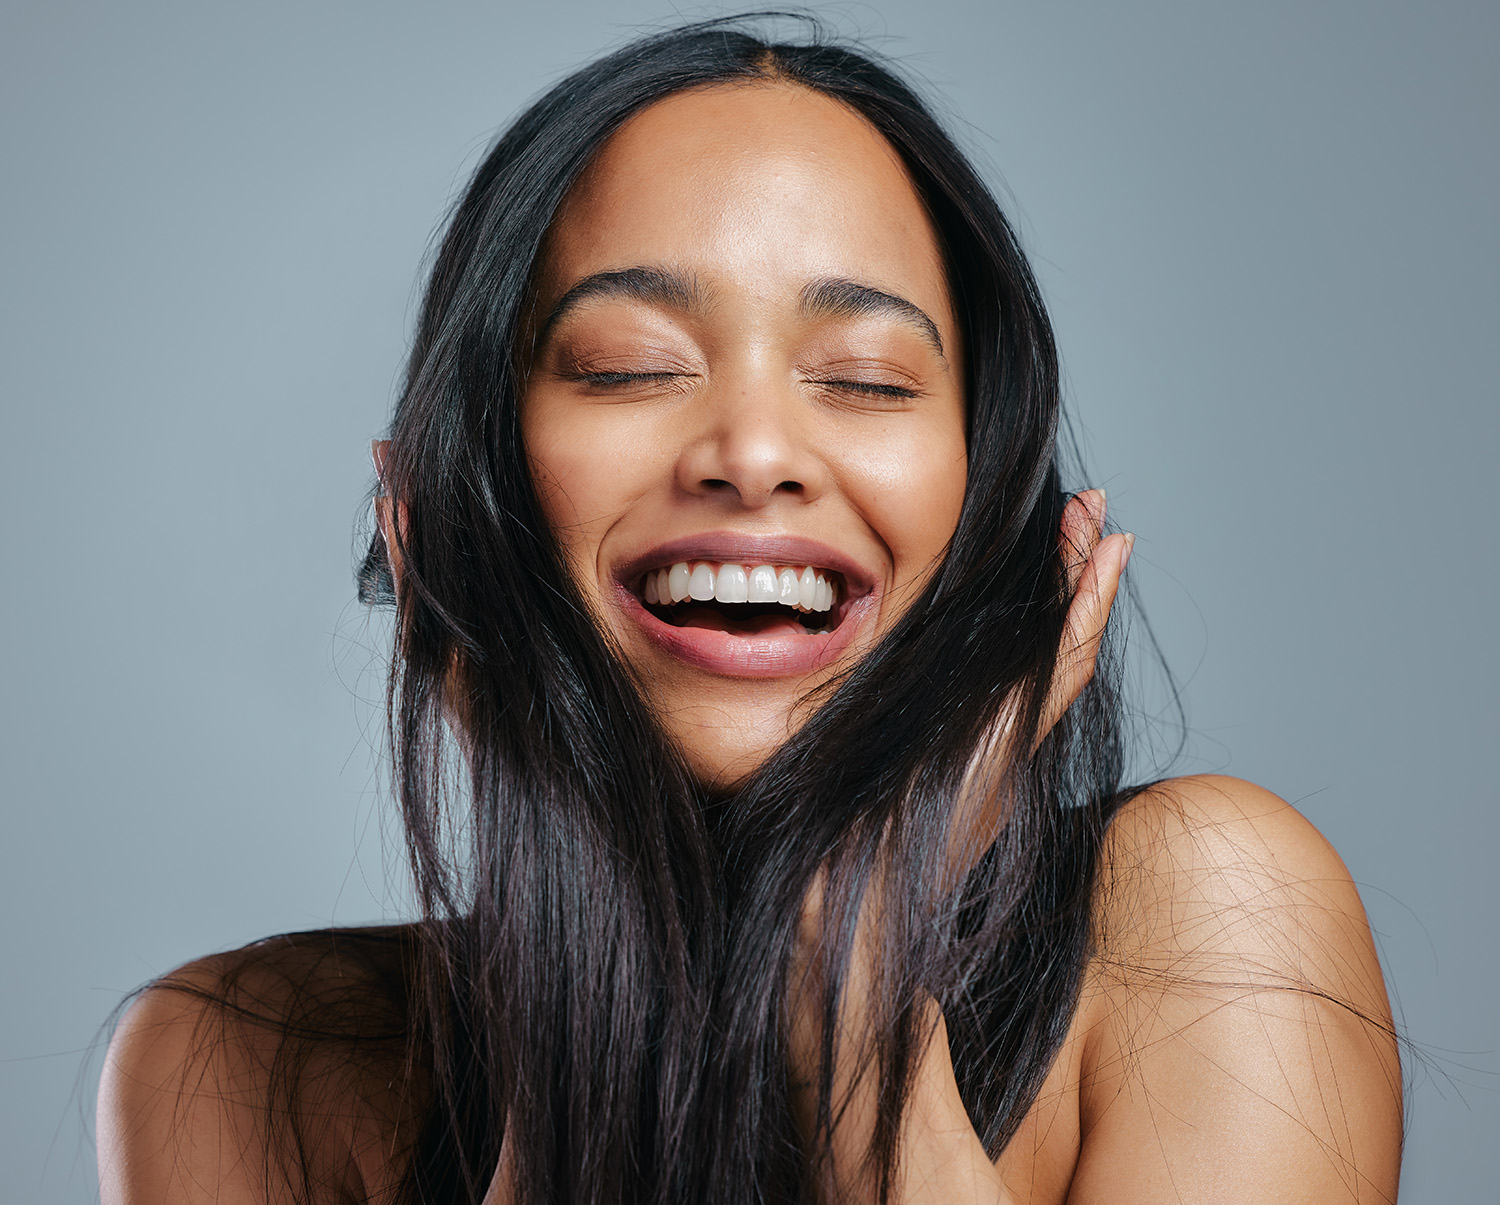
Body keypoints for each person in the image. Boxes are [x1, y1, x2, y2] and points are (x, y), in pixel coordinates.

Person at [96, 17, 1401, 1204]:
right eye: (628, 364)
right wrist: (578, 1014)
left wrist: (853, 1004)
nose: (753, 449)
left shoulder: (1211, 921)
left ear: (986, 502)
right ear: (458, 496)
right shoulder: (235, 1061)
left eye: (869, 379)